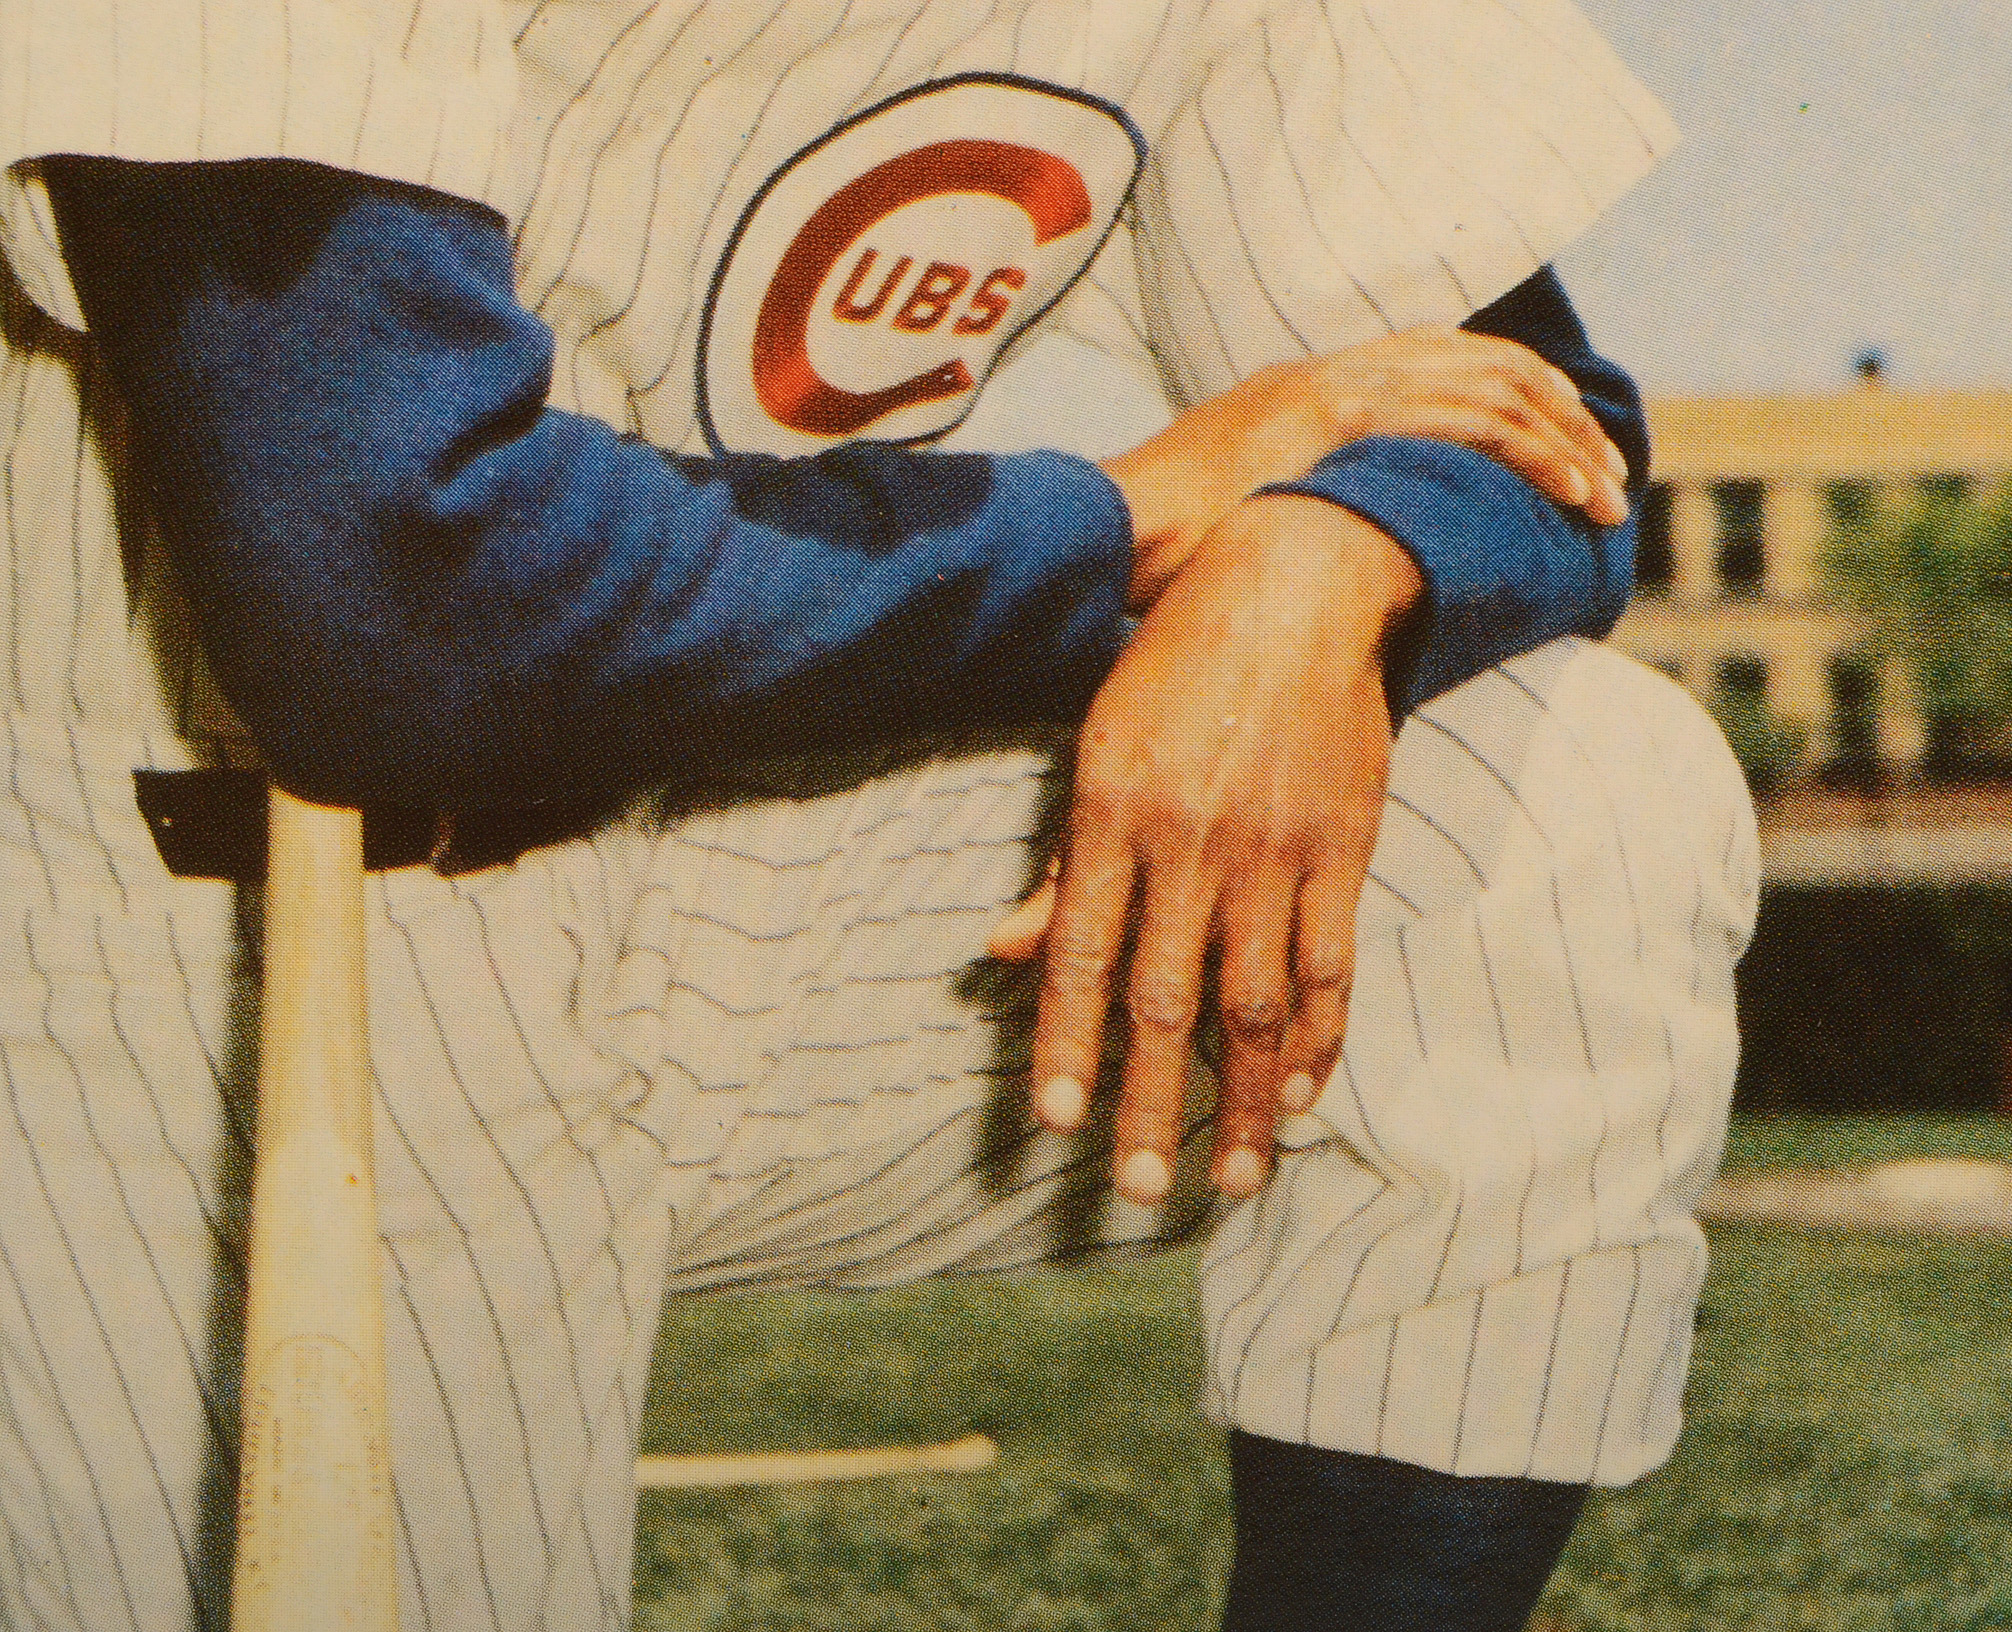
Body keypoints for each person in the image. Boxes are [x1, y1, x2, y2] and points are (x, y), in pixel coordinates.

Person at [0, 2, 1759, 1628]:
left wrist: (1324, 558)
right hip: (160, 923)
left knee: (1575, 813)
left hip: (724, 848)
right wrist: (1132, 526)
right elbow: (388, 602)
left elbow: (1534, 420)